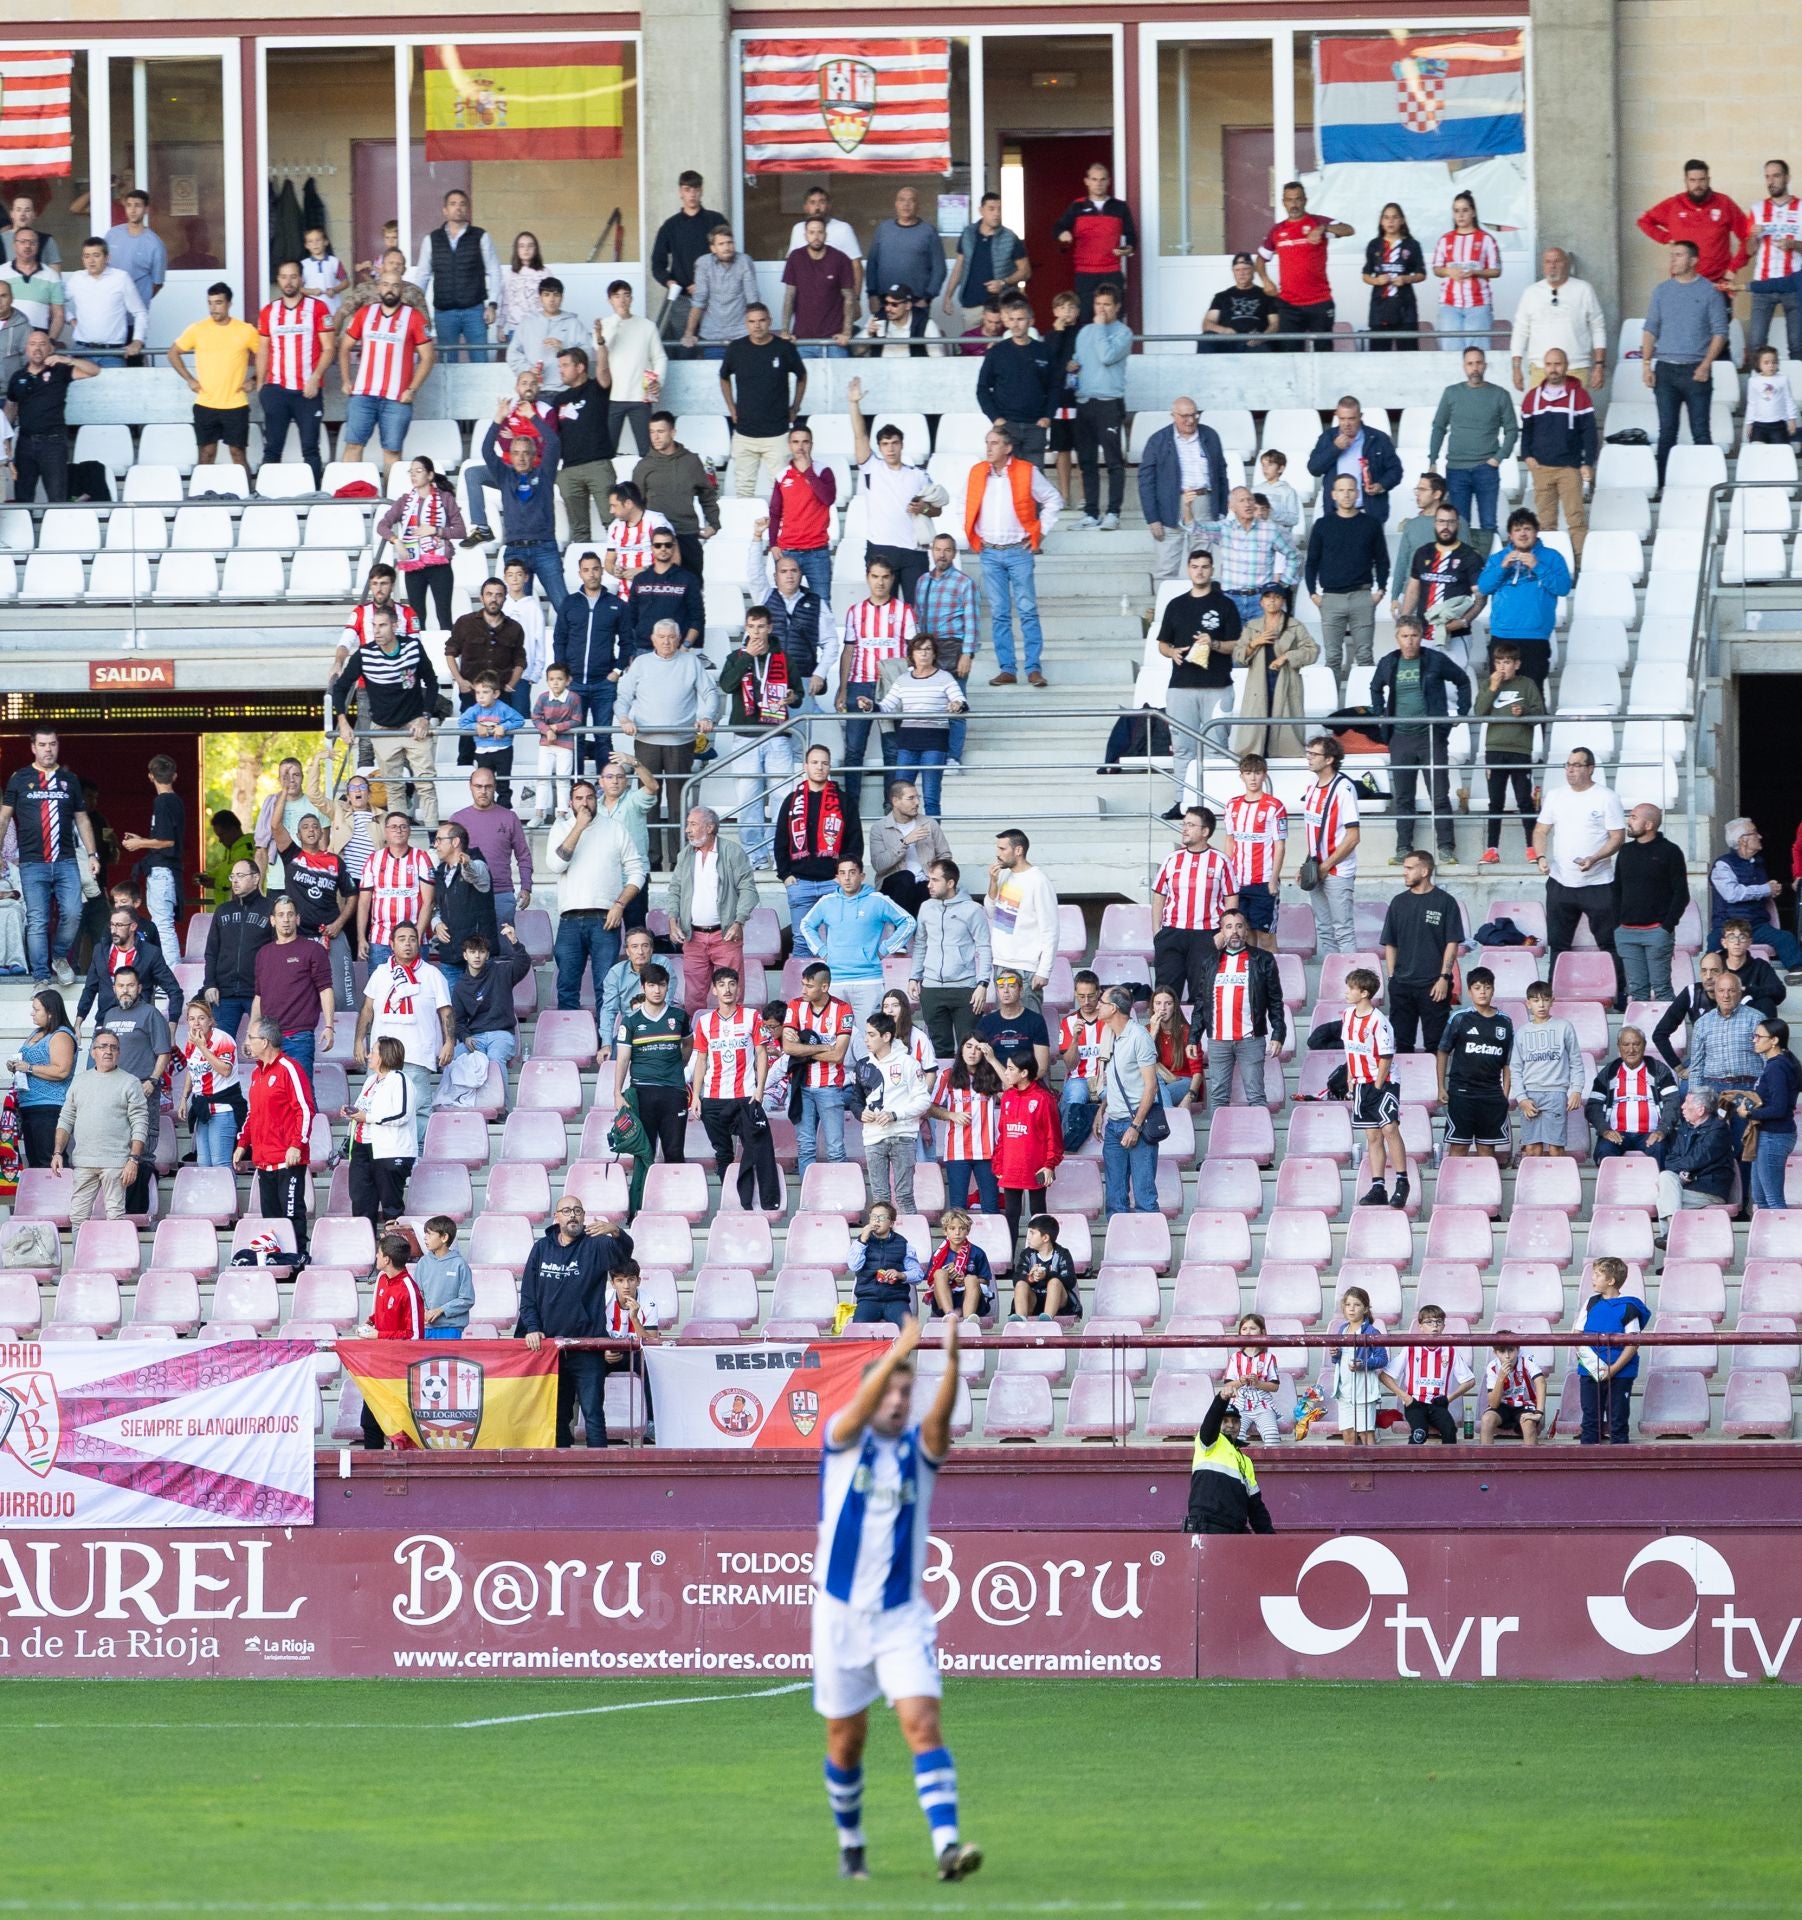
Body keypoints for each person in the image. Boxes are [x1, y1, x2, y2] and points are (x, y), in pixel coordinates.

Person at [810, 1309, 978, 1885]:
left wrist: (950, 1359)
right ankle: (852, 1845)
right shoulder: (842, 1441)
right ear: (873, 1391)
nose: (900, 1401)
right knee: (845, 1738)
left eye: (908, 1391)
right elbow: (857, 1411)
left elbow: (939, 1423)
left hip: (901, 1616)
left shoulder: (918, 1453)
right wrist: (898, 1350)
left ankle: (947, 1845)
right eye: (892, 1390)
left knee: (921, 1723)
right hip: (839, 1617)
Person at [521, 1200, 636, 1449]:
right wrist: (532, 1327)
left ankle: (600, 1475)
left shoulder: (596, 1245)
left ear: (583, 1216)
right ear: (556, 1217)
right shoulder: (541, 1248)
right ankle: (562, 1470)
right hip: (552, 1349)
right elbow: (528, 1295)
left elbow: (625, 1254)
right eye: (566, 1211)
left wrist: (615, 1231)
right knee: (558, 1415)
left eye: (577, 1211)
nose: (572, 1215)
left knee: (593, 1414)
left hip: (588, 1347)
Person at [0, 727, 100, 985]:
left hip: (65, 860)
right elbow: (4, 817)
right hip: (32, 863)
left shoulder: (69, 780)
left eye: (52, 744)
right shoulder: (20, 778)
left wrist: (92, 854)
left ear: (58, 745)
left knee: (74, 912)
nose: (48, 749)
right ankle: (41, 979)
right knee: (37, 921)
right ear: (33, 747)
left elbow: (82, 819)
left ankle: (58, 957)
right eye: (43, 744)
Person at [615, 620, 719, 867]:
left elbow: (710, 693)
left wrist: (707, 716)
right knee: (648, 803)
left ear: (679, 637)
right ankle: (650, 860)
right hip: (646, 741)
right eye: (661, 637)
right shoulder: (641, 664)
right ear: (653, 639)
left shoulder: (691, 662)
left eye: (671, 637)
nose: (666, 641)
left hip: (680, 742)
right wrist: (624, 718)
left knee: (678, 804)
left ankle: (679, 860)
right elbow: (623, 697)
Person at [965, 424, 1059, 690]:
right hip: (990, 551)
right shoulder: (977, 473)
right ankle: (1007, 668)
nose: (989, 448)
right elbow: (964, 502)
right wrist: (973, 533)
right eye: (987, 442)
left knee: (1027, 611)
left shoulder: (1027, 471)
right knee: (999, 613)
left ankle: (1033, 668)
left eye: (994, 443)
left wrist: (1040, 533)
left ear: (1008, 448)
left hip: (1019, 550)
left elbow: (1053, 500)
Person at [1372, 618, 1470, 864]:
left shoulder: (1434, 659)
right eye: (1405, 636)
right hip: (1400, 737)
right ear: (1397, 638)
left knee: (1439, 795)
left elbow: (1462, 679)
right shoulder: (1389, 662)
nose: (1410, 641)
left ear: (1421, 636)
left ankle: (1446, 848)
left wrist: (1462, 711)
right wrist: (1380, 714)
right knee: (1404, 797)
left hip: (1430, 736)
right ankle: (1403, 848)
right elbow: (1375, 687)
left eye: (1414, 635)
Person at [331, 608, 442, 826]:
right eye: (373, 626)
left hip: (413, 725)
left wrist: (425, 717)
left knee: (426, 784)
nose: (376, 631)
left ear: (394, 625)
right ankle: (399, 841)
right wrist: (343, 722)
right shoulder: (364, 654)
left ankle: (432, 842)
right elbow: (340, 688)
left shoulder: (412, 646)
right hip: (382, 728)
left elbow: (432, 682)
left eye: (381, 625)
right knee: (393, 787)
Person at [546, 778, 648, 1012]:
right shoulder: (561, 828)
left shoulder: (614, 828)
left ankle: (606, 1044)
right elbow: (555, 865)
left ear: (596, 800)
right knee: (567, 986)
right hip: (569, 919)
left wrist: (620, 904)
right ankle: (570, 1043)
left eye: (589, 797)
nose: (585, 803)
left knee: (607, 986)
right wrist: (578, 827)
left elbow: (637, 871)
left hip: (606, 918)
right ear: (570, 802)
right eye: (579, 798)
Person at [1534, 744, 1626, 995]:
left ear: (1591, 768)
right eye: (1568, 764)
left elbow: (1617, 837)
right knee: (1558, 944)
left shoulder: (1606, 797)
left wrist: (1595, 858)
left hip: (1598, 883)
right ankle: (1553, 997)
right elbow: (1541, 830)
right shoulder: (1555, 795)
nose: (1570, 770)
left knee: (1609, 943)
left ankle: (1619, 996)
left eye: (1576, 765)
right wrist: (1541, 856)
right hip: (1560, 882)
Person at [1155, 548, 1240, 809]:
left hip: (1217, 686)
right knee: (1182, 748)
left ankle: (1214, 802)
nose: (1200, 571)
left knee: (1216, 747)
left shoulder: (1225, 604)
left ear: (1212, 570)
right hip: (1181, 686)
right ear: (1188, 569)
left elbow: (1236, 644)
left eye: (1205, 566)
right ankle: (1183, 803)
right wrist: (1173, 653)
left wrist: (1212, 643)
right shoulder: (1176, 604)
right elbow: (1162, 643)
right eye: (1195, 566)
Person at [1641, 241, 1731, 488]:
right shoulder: (1661, 291)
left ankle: (1707, 485)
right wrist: (1646, 365)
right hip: (1666, 370)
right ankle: (1662, 485)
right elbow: (1650, 329)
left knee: (1701, 431)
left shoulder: (1710, 292)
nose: (1673, 260)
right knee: (1667, 431)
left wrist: (1705, 365)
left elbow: (1720, 332)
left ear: (1693, 260)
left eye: (1679, 255)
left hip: (1696, 370)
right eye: (1672, 255)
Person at [800, 856, 915, 1047]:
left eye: (852, 873)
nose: (847, 878)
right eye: (842, 873)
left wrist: (884, 950)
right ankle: (840, 1077)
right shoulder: (826, 902)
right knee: (833, 1037)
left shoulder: (877, 900)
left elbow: (908, 921)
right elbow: (806, 924)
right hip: (835, 980)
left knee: (871, 1037)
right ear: (836, 877)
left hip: (868, 980)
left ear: (862, 875)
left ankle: (870, 1076)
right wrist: (822, 951)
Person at [847, 377, 945, 602]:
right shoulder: (872, 468)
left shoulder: (918, 475)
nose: (890, 448)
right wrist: (854, 404)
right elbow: (860, 436)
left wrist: (924, 508)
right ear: (879, 447)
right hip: (881, 548)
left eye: (894, 443)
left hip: (914, 551)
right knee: (882, 609)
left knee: (915, 612)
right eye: (885, 444)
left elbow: (937, 511)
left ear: (901, 444)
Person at [688, 966, 778, 1209]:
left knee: (756, 1148)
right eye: (722, 985)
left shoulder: (752, 1017)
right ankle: (733, 1197)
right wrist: (696, 1096)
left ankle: (757, 1201)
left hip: (745, 1097)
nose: (727, 989)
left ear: (738, 988)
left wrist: (759, 1090)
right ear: (714, 990)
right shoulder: (704, 1022)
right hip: (714, 1098)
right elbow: (701, 1060)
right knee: (722, 1152)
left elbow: (762, 1054)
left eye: (732, 984)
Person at [717, 610, 799, 862]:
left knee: (781, 797)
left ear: (770, 628)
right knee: (748, 799)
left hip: (777, 734)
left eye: (761, 626)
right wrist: (747, 658)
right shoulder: (735, 657)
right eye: (751, 626)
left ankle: (780, 854)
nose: (756, 632)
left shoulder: (784, 659)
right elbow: (726, 685)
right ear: (746, 628)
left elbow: (799, 695)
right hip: (745, 736)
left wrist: (791, 696)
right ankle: (754, 856)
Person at [834, 559, 916, 807]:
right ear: (868, 578)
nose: (880, 582)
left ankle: (891, 806)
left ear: (892, 579)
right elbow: (848, 651)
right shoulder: (855, 611)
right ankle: (850, 807)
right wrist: (843, 688)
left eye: (885, 577)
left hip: (891, 688)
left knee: (892, 749)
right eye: (875, 576)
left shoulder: (904, 611)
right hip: (860, 684)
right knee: (854, 749)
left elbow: (912, 652)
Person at [233, 1018, 314, 1255]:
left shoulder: (290, 1068)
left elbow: (305, 1109)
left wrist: (297, 1145)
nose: (247, 1042)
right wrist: (242, 1144)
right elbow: (252, 1113)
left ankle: (298, 1262)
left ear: (265, 1042)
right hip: (264, 1161)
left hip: (288, 1159)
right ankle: (278, 1262)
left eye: (251, 1037)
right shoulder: (257, 1073)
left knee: (291, 1214)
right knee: (272, 1221)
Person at [356, 920, 452, 1118]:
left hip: (418, 1053)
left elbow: (446, 1012)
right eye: (402, 939)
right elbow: (367, 1010)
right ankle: (378, 1150)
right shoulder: (380, 973)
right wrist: (358, 1041)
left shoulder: (432, 974)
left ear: (419, 943)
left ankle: (417, 1149)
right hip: (381, 1056)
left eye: (412, 939)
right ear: (391, 944)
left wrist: (450, 1041)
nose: (407, 944)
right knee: (373, 1109)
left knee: (418, 1112)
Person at [337, 278, 435, 472]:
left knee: (392, 452)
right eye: (385, 284)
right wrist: (346, 380)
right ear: (379, 287)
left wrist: (412, 389)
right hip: (363, 394)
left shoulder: (414, 317)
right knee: (353, 446)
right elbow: (344, 347)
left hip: (397, 398)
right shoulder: (365, 313)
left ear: (402, 289)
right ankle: (350, 497)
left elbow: (428, 357)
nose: (390, 289)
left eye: (395, 285)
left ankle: (391, 500)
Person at [53, 1030, 148, 1226]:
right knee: (78, 1217)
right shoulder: (79, 1081)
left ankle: (114, 1257)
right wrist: (57, 1153)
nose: (108, 1051)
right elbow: (66, 1118)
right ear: (92, 1052)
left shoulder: (130, 1082)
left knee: (114, 1217)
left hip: (116, 1162)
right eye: (103, 1046)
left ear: (119, 1053)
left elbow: (140, 1122)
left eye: (113, 1047)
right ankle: (81, 1257)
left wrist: (134, 1159)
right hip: (84, 1161)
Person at [1193, 909, 1285, 1111]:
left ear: (1246, 931)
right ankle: (1219, 1142)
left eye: (1239, 926)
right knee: (1218, 1097)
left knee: (1256, 1095)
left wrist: (1278, 1033)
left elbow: (1275, 1000)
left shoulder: (1263, 959)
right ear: (1222, 932)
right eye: (1228, 927)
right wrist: (1193, 1037)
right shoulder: (1210, 962)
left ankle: (1262, 1141)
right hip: (1218, 1039)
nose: (1234, 931)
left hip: (1250, 1038)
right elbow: (1201, 1002)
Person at [777, 744, 863, 956]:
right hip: (800, 883)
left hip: (832, 884)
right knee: (801, 941)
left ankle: (835, 989)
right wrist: (786, 875)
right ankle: (802, 990)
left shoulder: (844, 800)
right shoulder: (791, 801)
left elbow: (855, 842)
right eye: (815, 762)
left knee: (839, 940)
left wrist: (843, 876)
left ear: (829, 767)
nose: (819, 767)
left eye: (824, 763)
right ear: (806, 766)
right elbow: (781, 841)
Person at [479, 404, 565, 614]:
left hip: (545, 548)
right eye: (516, 453)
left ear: (534, 454)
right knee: (517, 612)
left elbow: (553, 442)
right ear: (510, 455)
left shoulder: (544, 474)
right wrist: (498, 419)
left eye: (526, 453)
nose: (521, 458)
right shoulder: (504, 475)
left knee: (563, 606)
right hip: (515, 550)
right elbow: (486, 451)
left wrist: (533, 417)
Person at [166, 282, 261, 471]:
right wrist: (189, 379)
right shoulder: (197, 329)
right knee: (206, 454)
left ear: (229, 304)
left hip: (235, 404)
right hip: (206, 403)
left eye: (218, 303)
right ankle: (201, 498)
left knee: (238, 454)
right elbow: (173, 353)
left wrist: (255, 379)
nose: (213, 308)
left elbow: (267, 355)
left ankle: (247, 499)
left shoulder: (246, 330)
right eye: (210, 303)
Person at [1474, 508, 1572, 690]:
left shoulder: (1552, 557)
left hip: (1535, 636)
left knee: (1532, 692)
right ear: (1510, 535)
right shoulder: (1498, 558)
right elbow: (1483, 587)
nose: (1523, 534)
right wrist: (1502, 567)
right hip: (1502, 635)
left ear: (1536, 532)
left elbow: (1563, 588)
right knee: (1499, 692)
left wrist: (1537, 566)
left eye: (1527, 529)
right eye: (1517, 530)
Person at [255, 259, 334, 484]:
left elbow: (329, 348)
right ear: (278, 280)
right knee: (272, 448)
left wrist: (315, 378)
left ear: (301, 279)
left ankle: (315, 497)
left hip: (307, 391)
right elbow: (263, 350)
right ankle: (265, 495)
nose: (288, 282)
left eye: (293, 276)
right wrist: (262, 385)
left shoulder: (318, 308)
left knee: (310, 448)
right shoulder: (269, 311)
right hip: (277, 389)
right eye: (283, 277)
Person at [669, 804, 756, 1009]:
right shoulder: (685, 855)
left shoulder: (732, 852)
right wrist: (672, 920)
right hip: (693, 938)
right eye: (687, 825)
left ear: (709, 828)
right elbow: (674, 890)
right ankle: (697, 1038)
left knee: (731, 995)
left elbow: (749, 890)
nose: (687, 830)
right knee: (693, 998)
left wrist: (738, 921)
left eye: (692, 824)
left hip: (725, 936)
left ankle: (734, 1037)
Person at [1379, 851, 1466, 1054]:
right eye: (1404, 868)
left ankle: (1437, 1086)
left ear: (1424, 871)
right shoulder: (1398, 902)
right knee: (1401, 1044)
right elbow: (1390, 943)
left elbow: (1452, 943)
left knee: (1437, 1045)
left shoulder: (1446, 902)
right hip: (1402, 985)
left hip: (1434, 985)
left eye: (1409, 868)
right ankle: (1403, 1086)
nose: (1404, 873)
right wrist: (1392, 977)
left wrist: (1444, 977)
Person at [1307, 474, 1391, 682]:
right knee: (1333, 658)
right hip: (1331, 598)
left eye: (1351, 489)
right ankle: (1334, 710)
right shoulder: (1322, 525)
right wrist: (1312, 593)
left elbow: (1382, 560)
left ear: (1357, 492)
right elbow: (1311, 561)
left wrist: (1380, 591)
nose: (1346, 494)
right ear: (1333, 494)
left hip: (1361, 596)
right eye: (1341, 490)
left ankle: (1367, 709)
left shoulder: (1370, 524)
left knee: (1364, 656)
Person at [1137, 398, 1230, 585]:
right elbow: (1146, 481)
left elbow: (1221, 473)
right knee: (1166, 565)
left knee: (1202, 562)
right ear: (1173, 416)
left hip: (1204, 500)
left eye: (1194, 415)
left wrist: (1221, 509)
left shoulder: (1210, 435)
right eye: (1184, 416)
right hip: (1171, 503)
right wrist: (1152, 518)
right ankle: (1163, 610)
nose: (1190, 420)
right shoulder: (1158, 440)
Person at [1517, 350, 1598, 561]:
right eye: (1549, 364)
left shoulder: (1579, 395)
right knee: (1545, 523)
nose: (1553, 368)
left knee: (1576, 518)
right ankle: (1547, 563)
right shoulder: (1532, 397)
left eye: (1558, 364)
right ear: (1544, 366)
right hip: (1541, 469)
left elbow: (1589, 432)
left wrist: (1587, 462)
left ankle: (1581, 561)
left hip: (1569, 469)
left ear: (1566, 365)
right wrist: (1527, 456)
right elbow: (1526, 431)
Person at [720, 305, 806, 498]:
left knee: (780, 492)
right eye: (751, 321)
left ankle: (779, 529)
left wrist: (795, 406)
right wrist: (731, 408)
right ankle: (746, 529)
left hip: (777, 433)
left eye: (761, 320)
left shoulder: (784, 348)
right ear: (746, 323)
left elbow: (802, 376)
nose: (756, 325)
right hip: (744, 432)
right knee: (743, 490)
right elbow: (723, 377)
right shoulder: (736, 348)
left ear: (769, 321)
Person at [1428, 345, 1517, 532]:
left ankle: (1488, 562)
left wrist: (1498, 458)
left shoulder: (1500, 395)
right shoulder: (1451, 393)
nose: (1474, 368)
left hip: (1486, 468)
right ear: (1464, 367)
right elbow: (1438, 426)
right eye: (1470, 364)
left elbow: (1512, 430)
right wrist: (1433, 459)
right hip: (1456, 469)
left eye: (1478, 363)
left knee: (1489, 524)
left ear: (1485, 365)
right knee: (1459, 526)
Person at [909, 859, 990, 1062]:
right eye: (929, 879)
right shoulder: (926, 907)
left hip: (965, 988)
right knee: (939, 1048)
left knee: (970, 1047)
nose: (929, 885)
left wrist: (982, 984)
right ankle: (944, 1093)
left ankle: (970, 1093)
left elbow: (984, 947)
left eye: (935, 880)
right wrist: (914, 977)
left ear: (951, 882)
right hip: (932, 987)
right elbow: (920, 944)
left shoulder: (972, 909)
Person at [877, 635, 966, 817]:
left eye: (928, 649)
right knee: (901, 796)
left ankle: (932, 842)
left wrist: (957, 705)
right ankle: (902, 841)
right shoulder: (903, 679)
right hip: (908, 743)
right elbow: (886, 706)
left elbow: (961, 701)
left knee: (931, 797)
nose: (923, 654)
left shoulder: (945, 677)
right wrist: (869, 706)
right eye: (919, 650)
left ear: (934, 654)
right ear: (912, 654)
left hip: (935, 743)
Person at [1150, 806, 1233, 998]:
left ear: (1205, 831)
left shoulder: (1221, 860)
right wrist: (1157, 932)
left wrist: (1223, 934)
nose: (1184, 829)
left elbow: (1231, 900)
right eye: (1184, 824)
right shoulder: (1172, 859)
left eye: (1191, 825)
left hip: (1206, 935)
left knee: (1203, 995)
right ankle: (1165, 1030)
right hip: (1172, 932)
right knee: (1165, 995)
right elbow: (1159, 895)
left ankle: (1200, 1030)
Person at [1610, 802, 1690, 1003]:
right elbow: (1617, 889)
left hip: (1657, 932)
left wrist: (1666, 927)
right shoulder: (1625, 851)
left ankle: (1668, 1033)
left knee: (1662, 989)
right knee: (1637, 992)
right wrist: (1618, 924)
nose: (1629, 821)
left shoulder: (1670, 851)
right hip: (1627, 932)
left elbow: (1681, 894)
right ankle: (1639, 1033)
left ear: (1649, 825)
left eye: (1634, 817)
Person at [6, 329, 98, 503]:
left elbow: (94, 371)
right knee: (23, 497)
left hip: (53, 443)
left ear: (50, 349)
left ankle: (58, 530)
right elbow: (10, 410)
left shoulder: (60, 371)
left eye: (42, 344)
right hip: (25, 442)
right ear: (26, 349)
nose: (37, 349)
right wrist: (7, 443)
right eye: (32, 344)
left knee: (57, 497)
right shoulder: (17, 377)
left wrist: (67, 359)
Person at [248, 895, 334, 1079]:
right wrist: (251, 1033)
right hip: (268, 1039)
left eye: (290, 914)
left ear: (298, 918)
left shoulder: (313, 949)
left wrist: (329, 1026)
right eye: (280, 915)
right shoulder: (263, 954)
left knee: (302, 1093)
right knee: (273, 1095)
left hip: (299, 1037)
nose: (285, 919)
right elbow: (259, 997)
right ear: (273, 920)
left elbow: (325, 989)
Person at [613, 961, 690, 1164]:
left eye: (661, 985)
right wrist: (617, 1092)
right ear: (643, 986)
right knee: (644, 1153)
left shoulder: (679, 1016)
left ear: (667, 986)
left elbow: (688, 1046)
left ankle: (675, 1194)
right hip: (642, 1092)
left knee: (674, 1151)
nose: (657, 990)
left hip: (673, 1091)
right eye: (652, 985)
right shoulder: (630, 1021)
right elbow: (622, 1058)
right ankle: (644, 1196)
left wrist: (676, 1066)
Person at [1255, 180, 1352, 341]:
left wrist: (1323, 229)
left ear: (1305, 200)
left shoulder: (1318, 222)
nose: (1294, 204)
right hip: (1288, 305)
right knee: (1291, 356)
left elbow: (1349, 230)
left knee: (1323, 354)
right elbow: (1260, 260)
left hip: (1320, 302)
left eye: (1298, 199)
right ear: (1283, 203)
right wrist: (1265, 280)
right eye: (1289, 200)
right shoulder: (1277, 230)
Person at [377, 458, 466, 630]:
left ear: (430, 475)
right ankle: (419, 652)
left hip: (439, 565)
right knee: (416, 616)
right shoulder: (404, 501)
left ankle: (448, 655)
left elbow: (461, 530)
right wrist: (396, 541)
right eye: (411, 471)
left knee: (444, 614)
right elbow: (382, 525)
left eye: (418, 471)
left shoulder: (445, 498)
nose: (413, 475)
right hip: (413, 566)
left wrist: (436, 530)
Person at [1070, 283, 1132, 531]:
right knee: (1086, 461)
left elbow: (1106, 356)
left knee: (1114, 461)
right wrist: (1071, 366)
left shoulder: (1123, 333)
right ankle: (1091, 512)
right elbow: (1080, 359)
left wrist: (1099, 326)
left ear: (1116, 307)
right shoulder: (1085, 332)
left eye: (1107, 304)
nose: (1102, 309)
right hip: (1084, 401)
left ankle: (1113, 512)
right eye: (1098, 304)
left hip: (1109, 403)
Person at [1342, 970, 1406, 1208]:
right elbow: (1350, 1050)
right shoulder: (1348, 1015)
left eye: (1351, 988)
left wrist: (1378, 1086)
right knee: (1372, 1135)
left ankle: (1402, 1182)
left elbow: (1386, 1057)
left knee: (1389, 1128)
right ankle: (1378, 1186)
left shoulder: (1379, 1021)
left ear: (1364, 993)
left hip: (1383, 1081)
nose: (1346, 992)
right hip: (1360, 1081)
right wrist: (1350, 1077)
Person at [785, 961, 856, 1173]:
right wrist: (823, 1046)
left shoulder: (843, 1009)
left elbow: (838, 1055)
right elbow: (788, 1047)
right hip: (800, 1085)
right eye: (802, 984)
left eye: (809, 986)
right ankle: (809, 1200)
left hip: (830, 1086)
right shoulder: (795, 1005)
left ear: (824, 987)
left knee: (835, 1149)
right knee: (805, 1147)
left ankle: (842, 1198)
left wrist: (803, 1047)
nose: (803, 990)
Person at [1092, 985, 1157, 1216]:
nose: (1097, 1005)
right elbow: (1116, 1082)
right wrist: (1102, 1110)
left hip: (1135, 1123)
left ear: (1114, 1008)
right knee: (1115, 1197)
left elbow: (1151, 1086)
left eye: (1102, 1001)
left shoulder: (1139, 1036)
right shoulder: (1110, 1035)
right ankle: (1119, 1247)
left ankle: (1150, 1249)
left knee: (1144, 1195)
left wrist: (1135, 1126)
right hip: (1114, 1123)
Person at [974, 295, 1060, 468]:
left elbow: (1055, 387)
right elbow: (982, 388)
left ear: (1031, 321)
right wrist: (996, 418)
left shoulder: (1044, 351)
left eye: (1020, 319)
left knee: (1034, 481)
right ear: (1006, 321)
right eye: (1011, 319)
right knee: (1005, 478)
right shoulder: (997, 352)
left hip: (1035, 426)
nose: (1016, 324)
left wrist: (1047, 417)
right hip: (1006, 426)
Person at [1400, 502, 1486, 675]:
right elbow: (1412, 590)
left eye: (1450, 522)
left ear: (1457, 525)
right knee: (1426, 686)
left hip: (1456, 636)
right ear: (1435, 523)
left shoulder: (1470, 556)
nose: (1445, 527)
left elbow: (1480, 598)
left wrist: (1463, 622)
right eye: (1441, 522)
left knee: (1453, 689)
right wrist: (1404, 622)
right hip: (1423, 634)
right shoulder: (1423, 553)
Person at [1438, 966, 1514, 1158]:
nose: (1482, 991)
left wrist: (1504, 1094)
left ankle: (1484, 1188)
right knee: (1458, 1147)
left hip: (1491, 1094)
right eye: (1477, 987)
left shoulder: (1505, 1021)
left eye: (1487, 987)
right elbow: (1443, 1051)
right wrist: (1441, 1086)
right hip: (1462, 1092)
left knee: (1487, 1150)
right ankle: (1453, 1188)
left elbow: (1508, 1063)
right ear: (1470, 991)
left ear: (1493, 990)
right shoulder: (1459, 1018)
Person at [411, 188, 498, 356]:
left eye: (462, 204)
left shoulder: (481, 236)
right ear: (445, 210)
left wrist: (493, 305)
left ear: (468, 209)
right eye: (453, 204)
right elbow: (423, 276)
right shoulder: (431, 240)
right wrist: (413, 306)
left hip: (475, 311)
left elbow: (494, 271)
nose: (458, 207)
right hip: (444, 313)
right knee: (447, 365)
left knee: (480, 361)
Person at [1574, 1255, 1650, 1445]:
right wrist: (1593, 1364)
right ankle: (1587, 1463)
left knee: (1618, 1420)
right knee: (1591, 1418)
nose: (1593, 1278)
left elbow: (1632, 1343)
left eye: (1598, 1275)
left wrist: (1613, 1369)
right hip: (1591, 1370)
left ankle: (1621, 1464)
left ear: (1611, 1281)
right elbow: (1577, 1334)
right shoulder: (1591, 1302)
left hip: (1620, 1373)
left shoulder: (1629, 1307)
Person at [860, 1012, 932, 1213]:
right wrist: (860, 1113)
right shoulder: (863, 1065)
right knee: (880, 1199)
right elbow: (856, 1099)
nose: (866, 1039)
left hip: (902, 1136)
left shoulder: (908, 1063)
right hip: (873, 1137)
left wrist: (895, 1114)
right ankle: (882, 1243)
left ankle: (913, 1242)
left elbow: (924, 1100)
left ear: (886, 1036)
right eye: (866, 1034)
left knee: (904, 1196)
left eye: (871, 1035)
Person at [1509, 247, 1608, 392]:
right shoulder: (1531, 293)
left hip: (1576, 368)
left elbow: (1598, 327)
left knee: (1576, 414)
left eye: (1557, 261)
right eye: (1548, 262)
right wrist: (1516, 367)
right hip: (1540, 369)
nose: (1552, 266)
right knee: (1539, 414)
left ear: (1567, 264)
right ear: (1543, 266)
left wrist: (1599, 365)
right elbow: (1520, 330)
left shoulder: (1584, 289)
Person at [344, 1033, 416, 1229]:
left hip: (389, 1151)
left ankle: (393, 1254)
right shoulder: (370, 1081)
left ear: (385, 1055)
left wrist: (367, 1117)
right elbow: (365, 1110)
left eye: (373, 1051)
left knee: (391, 1207)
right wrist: (352, 1112)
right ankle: (364, 1251)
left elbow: (402, 1113)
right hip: (362, 1148)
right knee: (360, 1202)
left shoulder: (399, 1079)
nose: (368, 1055)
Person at [1688, 971, 1764, 1157]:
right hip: (1714, 1090)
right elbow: (1697, 1065)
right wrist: (1693, 1098)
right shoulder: (1702, 1023)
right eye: (1721, 990)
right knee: (1712, 1145)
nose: (1726, 995)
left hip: (1746, 1089)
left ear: (1740, 992)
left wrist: (1762, 1093)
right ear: (1714, 992)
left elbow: (1766, 1060)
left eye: (1731, 990)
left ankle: (1746, 1187)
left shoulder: (1756, 1019)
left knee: (1744, 1145)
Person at [1636, 159, 1746, 288]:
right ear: (1686, 182)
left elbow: (1748, 237)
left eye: (1701, 180)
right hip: (1682, 282)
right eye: (1692, 180)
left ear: (1708, 180)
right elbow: (1644, 221)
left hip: (1717, 283)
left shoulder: (1724, 203)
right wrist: (1667, 238)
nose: (1697, 185)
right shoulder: (1674, 204)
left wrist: (1732, 270)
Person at [1709, 817, 1802, 968]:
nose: (1760, 836)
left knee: (1785, 938)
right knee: (1713, 951)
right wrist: (1765, 889)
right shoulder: (1723, 864)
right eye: (1754, 833)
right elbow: (1732, 894)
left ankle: (1797, 972)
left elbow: (1761, 890)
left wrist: (1783, 888)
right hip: (1727, 926)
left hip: (1756, 926)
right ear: (1742, 840)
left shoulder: (1757, 863)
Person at [1379, 1304, 1475, 1445]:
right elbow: (1384, 1376)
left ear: (1443, 1326)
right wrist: (1405, 1397)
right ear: (1420, 1326)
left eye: (1438, 1322)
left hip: (1438, 1404)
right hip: (1415, 1403)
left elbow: (1470, 1381)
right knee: (1419, 1432)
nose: (1434, 1326)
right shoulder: (1410, 1349)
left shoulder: (1450, 1351)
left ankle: (1447, 1465)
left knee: (1450, 1429)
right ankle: (1411, 1466)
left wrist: (1448, 1398)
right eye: (1429, 1322)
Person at [1301, 734, 1361, 956]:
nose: (1309, 758)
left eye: (1314, 754)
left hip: (1337, 869)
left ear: (1329, 759)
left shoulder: (1343, 788)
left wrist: (1325, 866)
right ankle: (1333, 983)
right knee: (1325, 930)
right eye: (1308, 753)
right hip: (1318, 867)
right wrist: (1308, 865)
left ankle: (1354, 985)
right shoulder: (1311, 787)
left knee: (1342, 930)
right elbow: (1316, 833)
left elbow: (1353, 837)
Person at [1220, 755, 1288, 951]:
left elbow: (1280, 845)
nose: (1252, 778)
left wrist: (1273, 879)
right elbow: (1230, 840)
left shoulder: (1274, 806)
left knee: (1266, 936)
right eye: (1248, 773)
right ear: (1241, 776)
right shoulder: (1232, 805)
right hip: (1238, 882)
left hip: (1263, 881)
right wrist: (1227, 875)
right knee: (1244, 935)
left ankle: (1272, 979)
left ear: (1264, 776)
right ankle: (1250, 979)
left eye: (1257, 773)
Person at [652, 171, 727, 344]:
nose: (692, 194)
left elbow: (727, 257)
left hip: (714, 297)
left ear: (701, 191)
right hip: (683, 300)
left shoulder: (716, 220)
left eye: (696, 189)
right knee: (685, 346)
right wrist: (669, 282)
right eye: (687, 189)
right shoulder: (670, 226)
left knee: (715, 346)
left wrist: (704, 283)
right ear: (680, 192)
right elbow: (657, 263)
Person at [985, 830, 1058, 1010]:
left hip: (1026, 968)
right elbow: (990, 911)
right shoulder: (1003, 875)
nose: (998, 853)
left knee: (1028, 1029)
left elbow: (1050, 929)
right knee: (1005, 1029)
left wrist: (1044, 971)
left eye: (1002, 848)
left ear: (1018, 850)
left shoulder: (1038, 880)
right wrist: (993, 883)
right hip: (1001, 963)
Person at [1182, 1390, 1274, 1533]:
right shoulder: (1208, 1443)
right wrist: (1221, 1399)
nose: (1231, 1425)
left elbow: (1256, 1507)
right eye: (1224, 1421)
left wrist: (1271, 1540)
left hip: (1235, 1530)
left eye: (1235, 1421)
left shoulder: (1246, 1461)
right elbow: (1210, 1423)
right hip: (1207, 1528)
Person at [452, 765, 531, 931]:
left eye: (488, 786)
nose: (483, 791)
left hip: (502, 894)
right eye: (478, 786)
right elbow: (448, 859)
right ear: (470, 786)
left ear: (495, 787)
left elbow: (523, 855)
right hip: (468, 893)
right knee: (471, 951)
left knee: (504, 951)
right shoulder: (458, 819)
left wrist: (526, 887)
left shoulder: (509, 817)